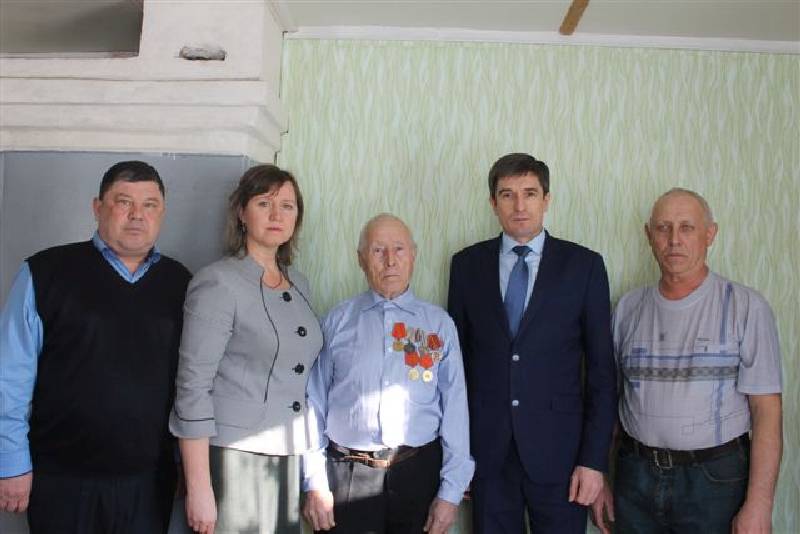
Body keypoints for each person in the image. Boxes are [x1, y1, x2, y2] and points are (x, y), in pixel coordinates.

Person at [0, 161, 191, 532]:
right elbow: (9, 376)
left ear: (162, 213)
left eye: (149, 205)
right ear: (97, 207)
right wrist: (11, 461)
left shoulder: (181, 283)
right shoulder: (44, 272)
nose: (137, 215)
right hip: (61, 479)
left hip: (149, 483)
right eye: (124, 202)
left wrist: (186, 464)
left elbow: (189, 384)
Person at [590, 188, 783, 534]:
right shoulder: (627, 309)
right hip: (635, 477)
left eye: (687, 228)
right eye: (663, 228)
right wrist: (600, 473)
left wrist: (759, 504)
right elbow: (610, 402)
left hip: (715, 482)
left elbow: (767, 412)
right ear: (649, 236)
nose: (674, 240)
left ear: (710, 234)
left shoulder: (745, 307)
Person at [447, 153, 617, 534]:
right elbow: (456, 372)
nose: (519, 206)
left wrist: (594, 461)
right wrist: (457, 458)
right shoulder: (467, 266)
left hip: (563, 458)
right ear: (493, 203)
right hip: (488, 457)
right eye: (507, 195)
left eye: (530, 193)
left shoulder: (584, 266)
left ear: (547, 199)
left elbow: (602, 374)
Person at [169, 164, 322, 534]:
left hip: (287, 457)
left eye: (287, 206)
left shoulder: (299, 284)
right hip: (232, 458)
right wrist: (199, 486)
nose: (276, 215)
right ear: (241, 212)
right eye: (264, 203)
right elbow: (192, 386)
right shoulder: (217, 282)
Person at [302, 213, 474, 534]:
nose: (390, 261)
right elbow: (314, 405)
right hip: (347, 476)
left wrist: (451, 491)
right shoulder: (337, 321)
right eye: (378, 250)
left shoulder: (438, 324)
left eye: (399, 249)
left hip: (418, 474)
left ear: (413, 255)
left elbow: (455, 410)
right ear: (361, 259)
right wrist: (314, 482)